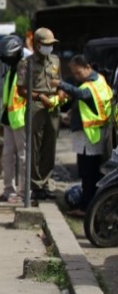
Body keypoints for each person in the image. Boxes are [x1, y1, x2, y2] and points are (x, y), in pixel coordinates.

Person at [56, 55, 113, 217]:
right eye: (74, 74)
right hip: (92, 135)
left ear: (88, 67)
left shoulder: (92, 85)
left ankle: (85, 208)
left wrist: (60, 84)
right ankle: (87, 205)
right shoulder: (100, 80)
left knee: (88, 174)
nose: (76, 77)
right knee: (90, 173)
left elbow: (81, 94)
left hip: (91, 137)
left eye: (78, 73)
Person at [17, 28, 62, 201]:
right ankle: (35, 185)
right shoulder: (26, 63)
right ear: (37, 45)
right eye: (46, 44)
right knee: (34, 147)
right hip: (36, 105)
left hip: (52, 106)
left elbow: (59, 83)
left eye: (51, 44)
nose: (49, 47)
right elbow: (21, 90)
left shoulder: (55, 60)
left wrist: (60, 95)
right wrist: (39, 96)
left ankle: (45, 182)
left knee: (50, 147)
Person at [0, 35, 29, 203]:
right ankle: (8, 190)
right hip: (9, 119)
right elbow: (8, 97)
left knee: (23, 157)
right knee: (7, 157)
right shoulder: (12, 70)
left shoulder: (26, 66)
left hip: (21, 120)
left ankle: (23, 192)